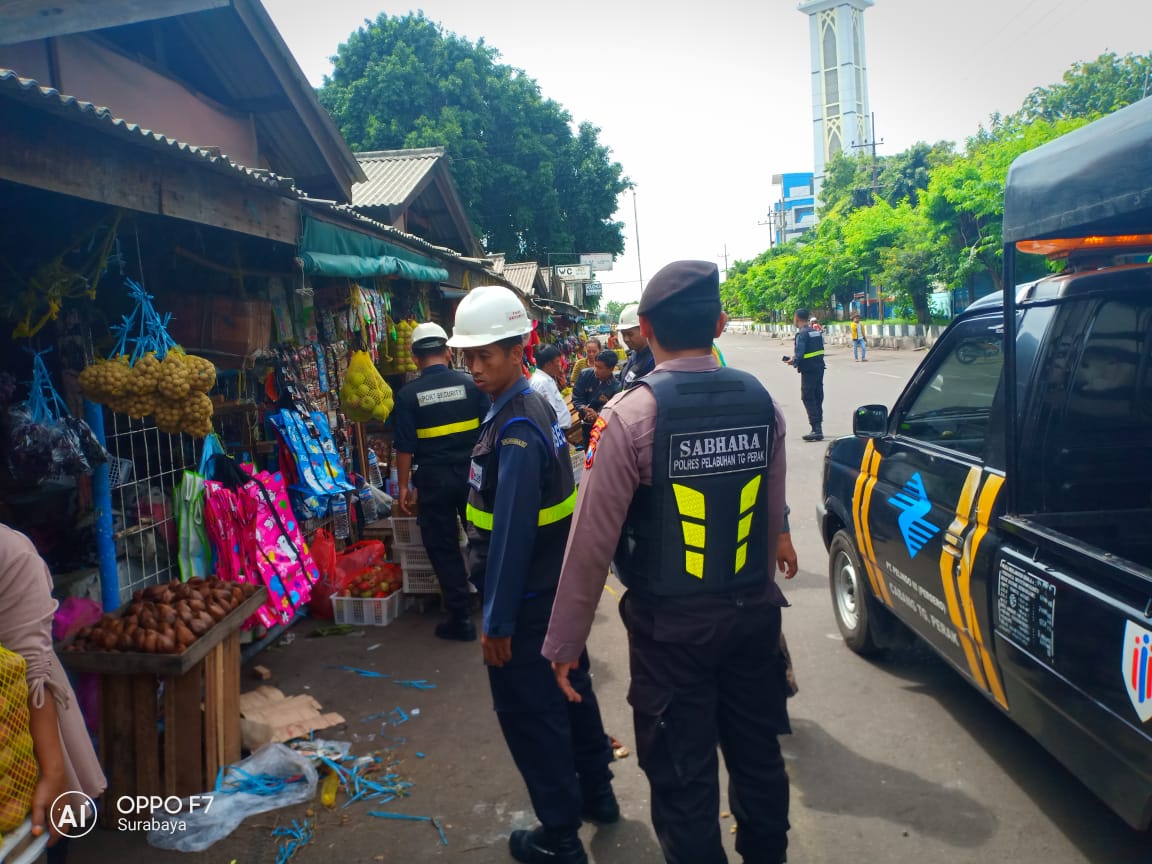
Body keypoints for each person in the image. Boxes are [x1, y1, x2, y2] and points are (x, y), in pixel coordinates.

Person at [544, 260, 793, 864]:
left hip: (670, 632)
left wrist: (564, 644)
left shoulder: (629, 416)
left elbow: (590, 543)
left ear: (646, 326)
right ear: (721, 322)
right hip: (752, 618)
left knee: (684, 780)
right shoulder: (762, 403)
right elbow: (770, 509)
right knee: (760, 763)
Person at [447, 286, 616, 864]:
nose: (473, 369)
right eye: (465, 357)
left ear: (518, 349)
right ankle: (599, 795)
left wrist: (496, 621)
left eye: (484, 357)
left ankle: (561, 836)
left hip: (525, 603)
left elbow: (512, 537)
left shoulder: (515, 431)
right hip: (552, 594)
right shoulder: (530, 407)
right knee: (573, 693)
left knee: (532, 716)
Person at [0, 524, 106, 860]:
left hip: (28, 731)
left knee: (47, 835)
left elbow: (33, 669)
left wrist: (52, 770)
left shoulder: (10, 552)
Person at [392, 322, 489, 641]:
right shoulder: (472, 385)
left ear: (415, 357)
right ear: (448, 352)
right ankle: (495, 607)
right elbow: (491, 431)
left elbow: (404, 446)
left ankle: (460, 618)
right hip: (473, 476)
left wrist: (403, 487)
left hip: (433, 479)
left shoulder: (407, 396)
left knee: (443, 545)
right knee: (481, 538)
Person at [782, 307, 826, 442]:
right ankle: (818, 426)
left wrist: (793, 361)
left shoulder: (802, 334)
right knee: (817, 396)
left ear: (797, 318)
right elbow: (818, 350)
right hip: (819, 368)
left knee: (807, 396)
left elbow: (800, 353)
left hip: (809, 370)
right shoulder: (816, 332)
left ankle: (816, 429)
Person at [571, 351, 621, 449]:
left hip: (603, 430)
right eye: (595, 365)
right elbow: (577, 397)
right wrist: (584, 409)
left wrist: (597, 416)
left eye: (600, 368)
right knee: (589, 454)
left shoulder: (617, 388)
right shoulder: (585, 375)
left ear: (610, 369)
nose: (595, 370)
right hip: (585, 425)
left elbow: (613, 412)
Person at [529, 345, 572, 430]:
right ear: (548, 364)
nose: (560, 364)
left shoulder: (546, 379)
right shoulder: (541, 383)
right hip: (556, 432)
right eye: (558, 361)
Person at [616, 303, 655, 389]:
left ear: (644, 330)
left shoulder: (653, 360)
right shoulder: (635, 355)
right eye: (623, 334)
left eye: (630, 334)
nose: (625, 339)